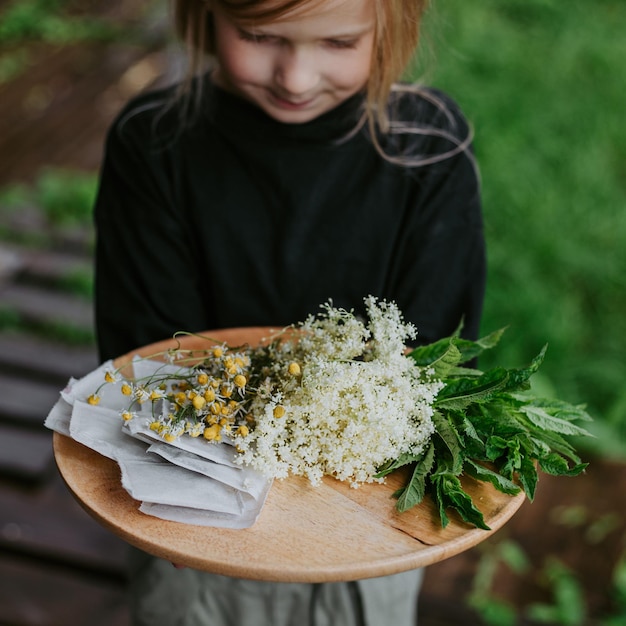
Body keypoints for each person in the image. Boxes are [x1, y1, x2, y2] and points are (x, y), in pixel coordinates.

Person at [93, 0, 486, 623]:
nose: (295, 77)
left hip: (366, 531)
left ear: (394, 25)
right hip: (197, 528)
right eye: (258, 36)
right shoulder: (157, 144)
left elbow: (433, 366)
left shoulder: (427, 153)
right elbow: (146, 357)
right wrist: (173, 492)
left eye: (337, 43)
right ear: (203, 12)